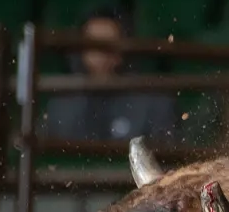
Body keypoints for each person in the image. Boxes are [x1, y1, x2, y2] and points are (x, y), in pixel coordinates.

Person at [41, 8, 177, 143]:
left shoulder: (154, 102)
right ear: (81, 50)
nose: (100, 54)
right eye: (93, 44)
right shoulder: (60, 105)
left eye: (107, 45)